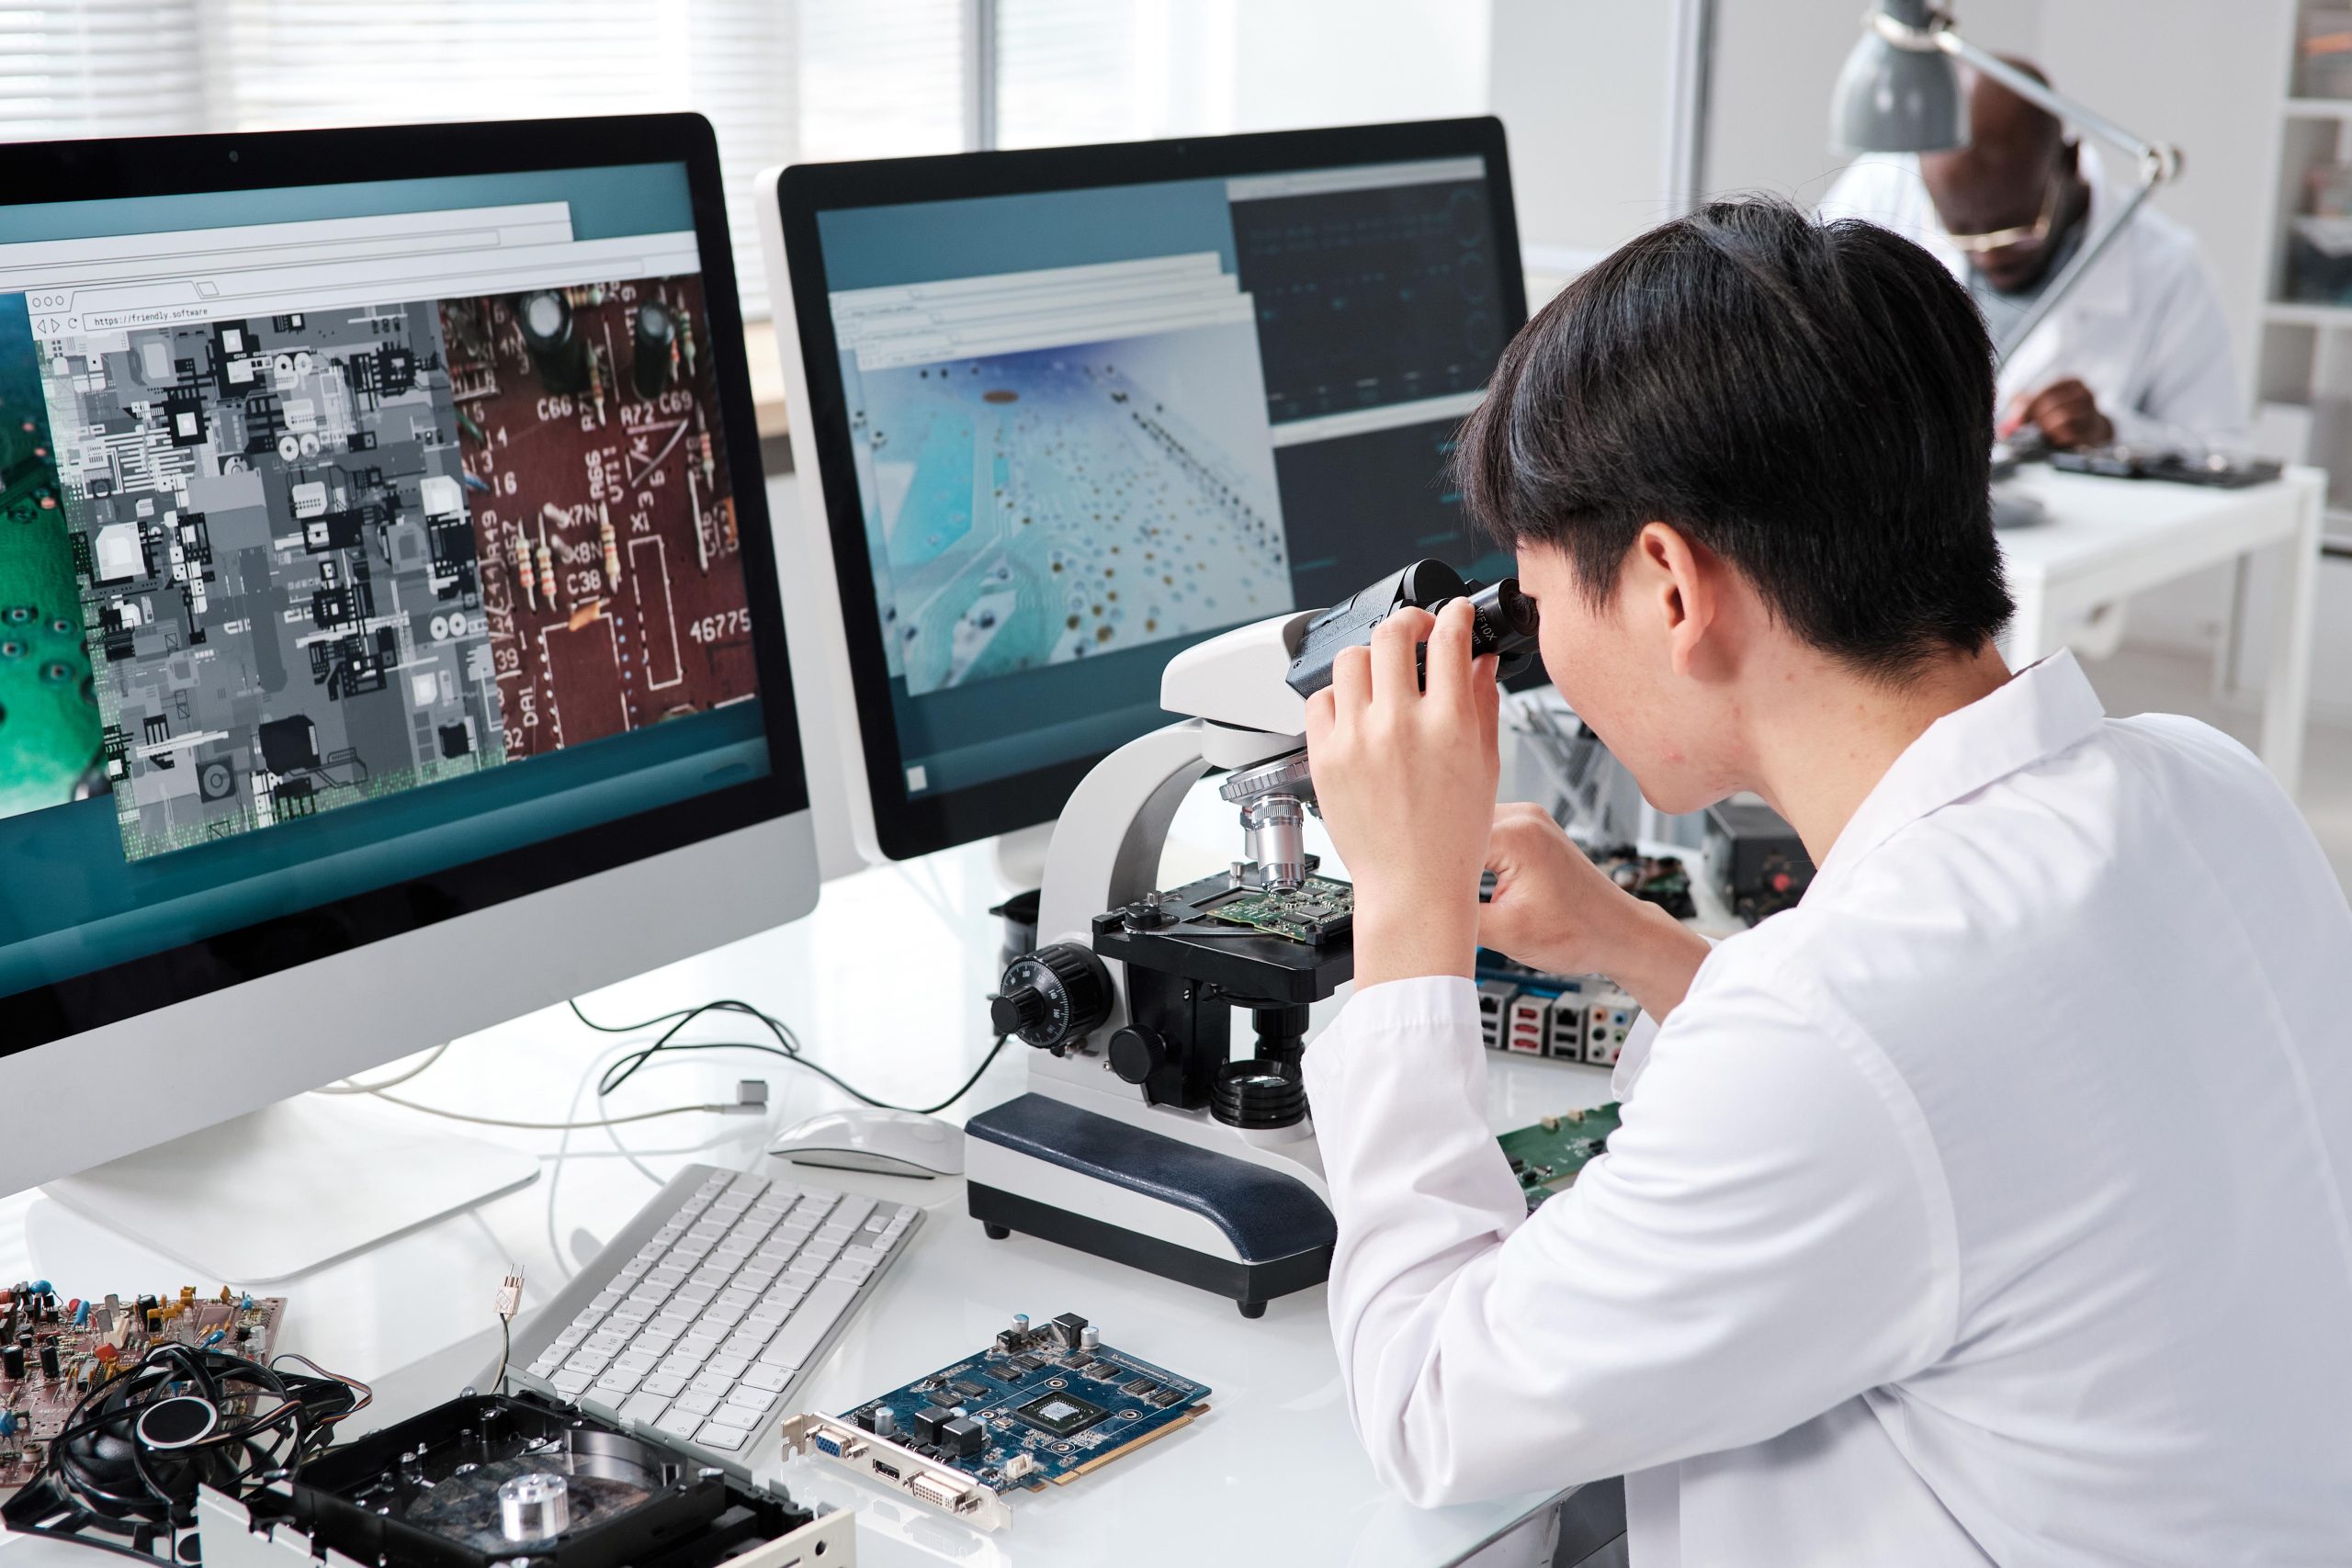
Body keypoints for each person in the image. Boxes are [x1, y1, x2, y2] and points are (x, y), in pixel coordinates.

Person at [1298, 197, 2352, 1565]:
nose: (1537, 643)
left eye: (1539, 598)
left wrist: (1405, 910)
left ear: (1671, 585)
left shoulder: (1837, 1030)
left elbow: (1435, 1401)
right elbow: (1977, 1088)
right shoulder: (2205, 778)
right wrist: (1642, 946)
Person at [1820, 58, 2242, 451]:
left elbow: (2220, 450)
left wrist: (2111, 431)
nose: (1988, 256)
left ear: (2068, 163)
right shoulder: (1883, 188)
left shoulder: (2167, 270)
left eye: (2014, 231)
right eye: (1961, 233)